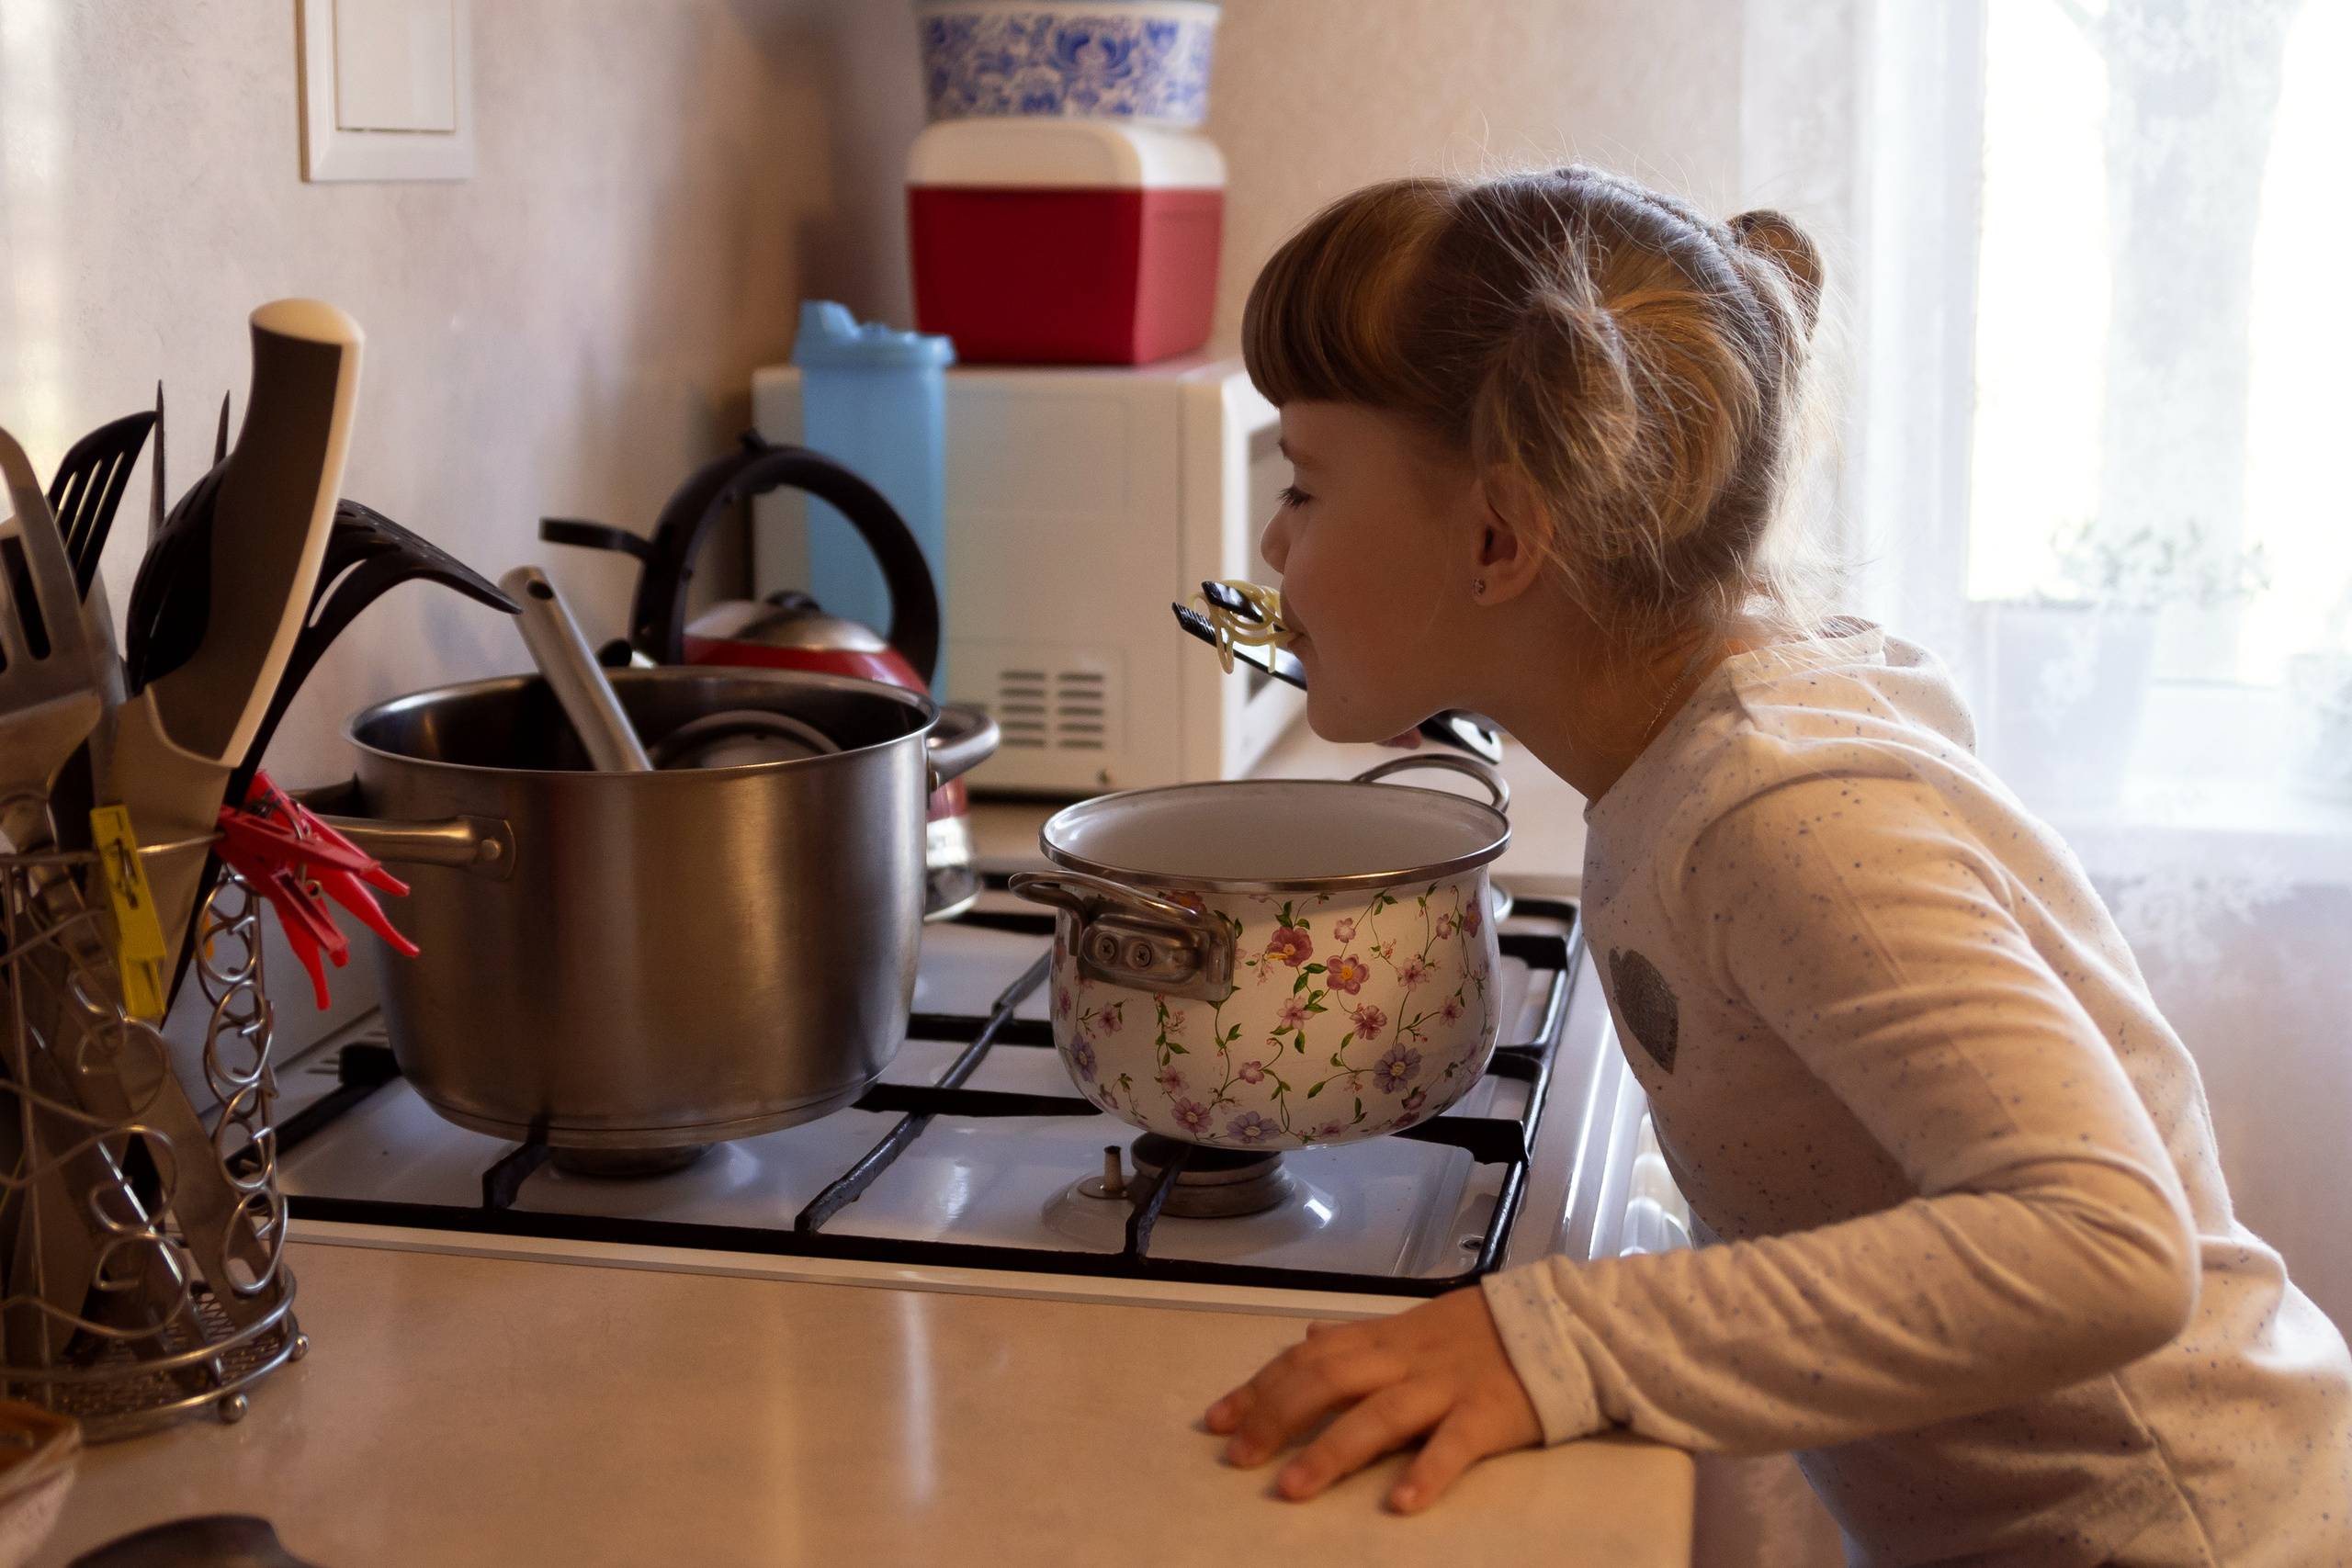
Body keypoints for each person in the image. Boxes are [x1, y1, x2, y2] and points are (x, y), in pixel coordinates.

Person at [1202, 164, 2352, 1567]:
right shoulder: (1690, 749)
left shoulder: (1787, 815)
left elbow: (2104, 1245)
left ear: (1501, 538)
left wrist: (1558, 1341)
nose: (1271, 544)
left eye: (1304, 486)